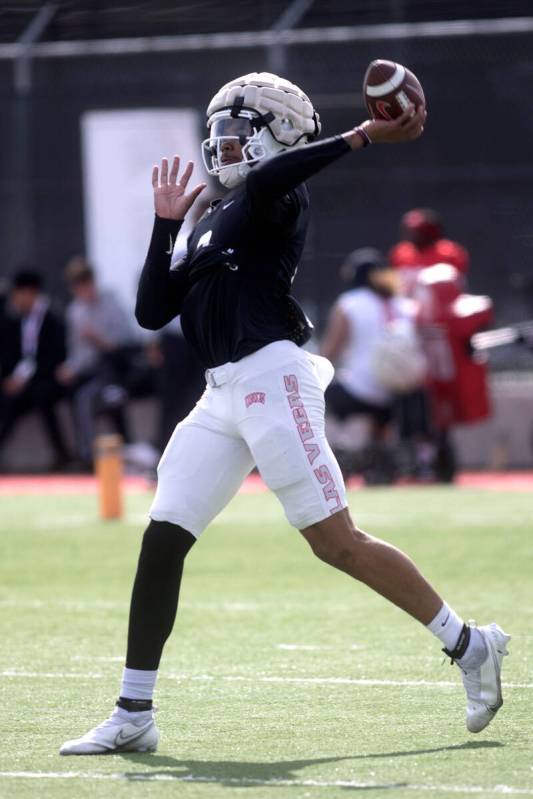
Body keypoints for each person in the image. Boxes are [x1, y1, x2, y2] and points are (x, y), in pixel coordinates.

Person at [60, 72, 509, 756]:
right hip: (220, 393)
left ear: (279, 137)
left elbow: (273, 180)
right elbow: (154, 309)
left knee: (335, 542)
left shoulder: (277, 194)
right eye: (218, 133)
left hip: (272, 377)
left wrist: (360, 135)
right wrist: (162, 224)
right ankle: (133, 710)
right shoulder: (211, 216)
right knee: (162, 538)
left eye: (239, 132)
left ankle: (468, 642)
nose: (224, 145)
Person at [321, 248, 418, 482]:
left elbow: (329, 352)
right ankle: (378, 450)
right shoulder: (403, 304)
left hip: (360, 390)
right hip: (398, 392)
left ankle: (338, 449)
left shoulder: (349, 304)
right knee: (378, 403)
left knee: (319, 396)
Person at [56, 258, 135, 467]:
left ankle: (96, 457)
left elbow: (126, 338)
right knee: (72, 393)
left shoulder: (110, 301)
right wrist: (70, 367)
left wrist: (101, 341)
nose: (85, 291)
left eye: (87, 285)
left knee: (97, 398)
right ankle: (84, 455)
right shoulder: (75, 311)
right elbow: (78, 352)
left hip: (116, 369)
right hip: (89, 371)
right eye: (79, 287)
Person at [0, 270, 70, 470]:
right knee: (9, 401)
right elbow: (19, 356)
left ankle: (62, 454)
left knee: (42, 396)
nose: (15, 300)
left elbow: (53, 357)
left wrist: (23, 379)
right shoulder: (19, 319)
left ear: (29, 293)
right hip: (26, 381)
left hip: (47, 379)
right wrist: (14, 378)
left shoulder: (52, 318)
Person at [389, 208, 469, 297]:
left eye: (418, 232)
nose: (412, 236)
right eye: (410, 232)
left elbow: (458, 284)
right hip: (411, 303)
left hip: (442, 301)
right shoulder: (400, 253)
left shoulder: (449, 253)